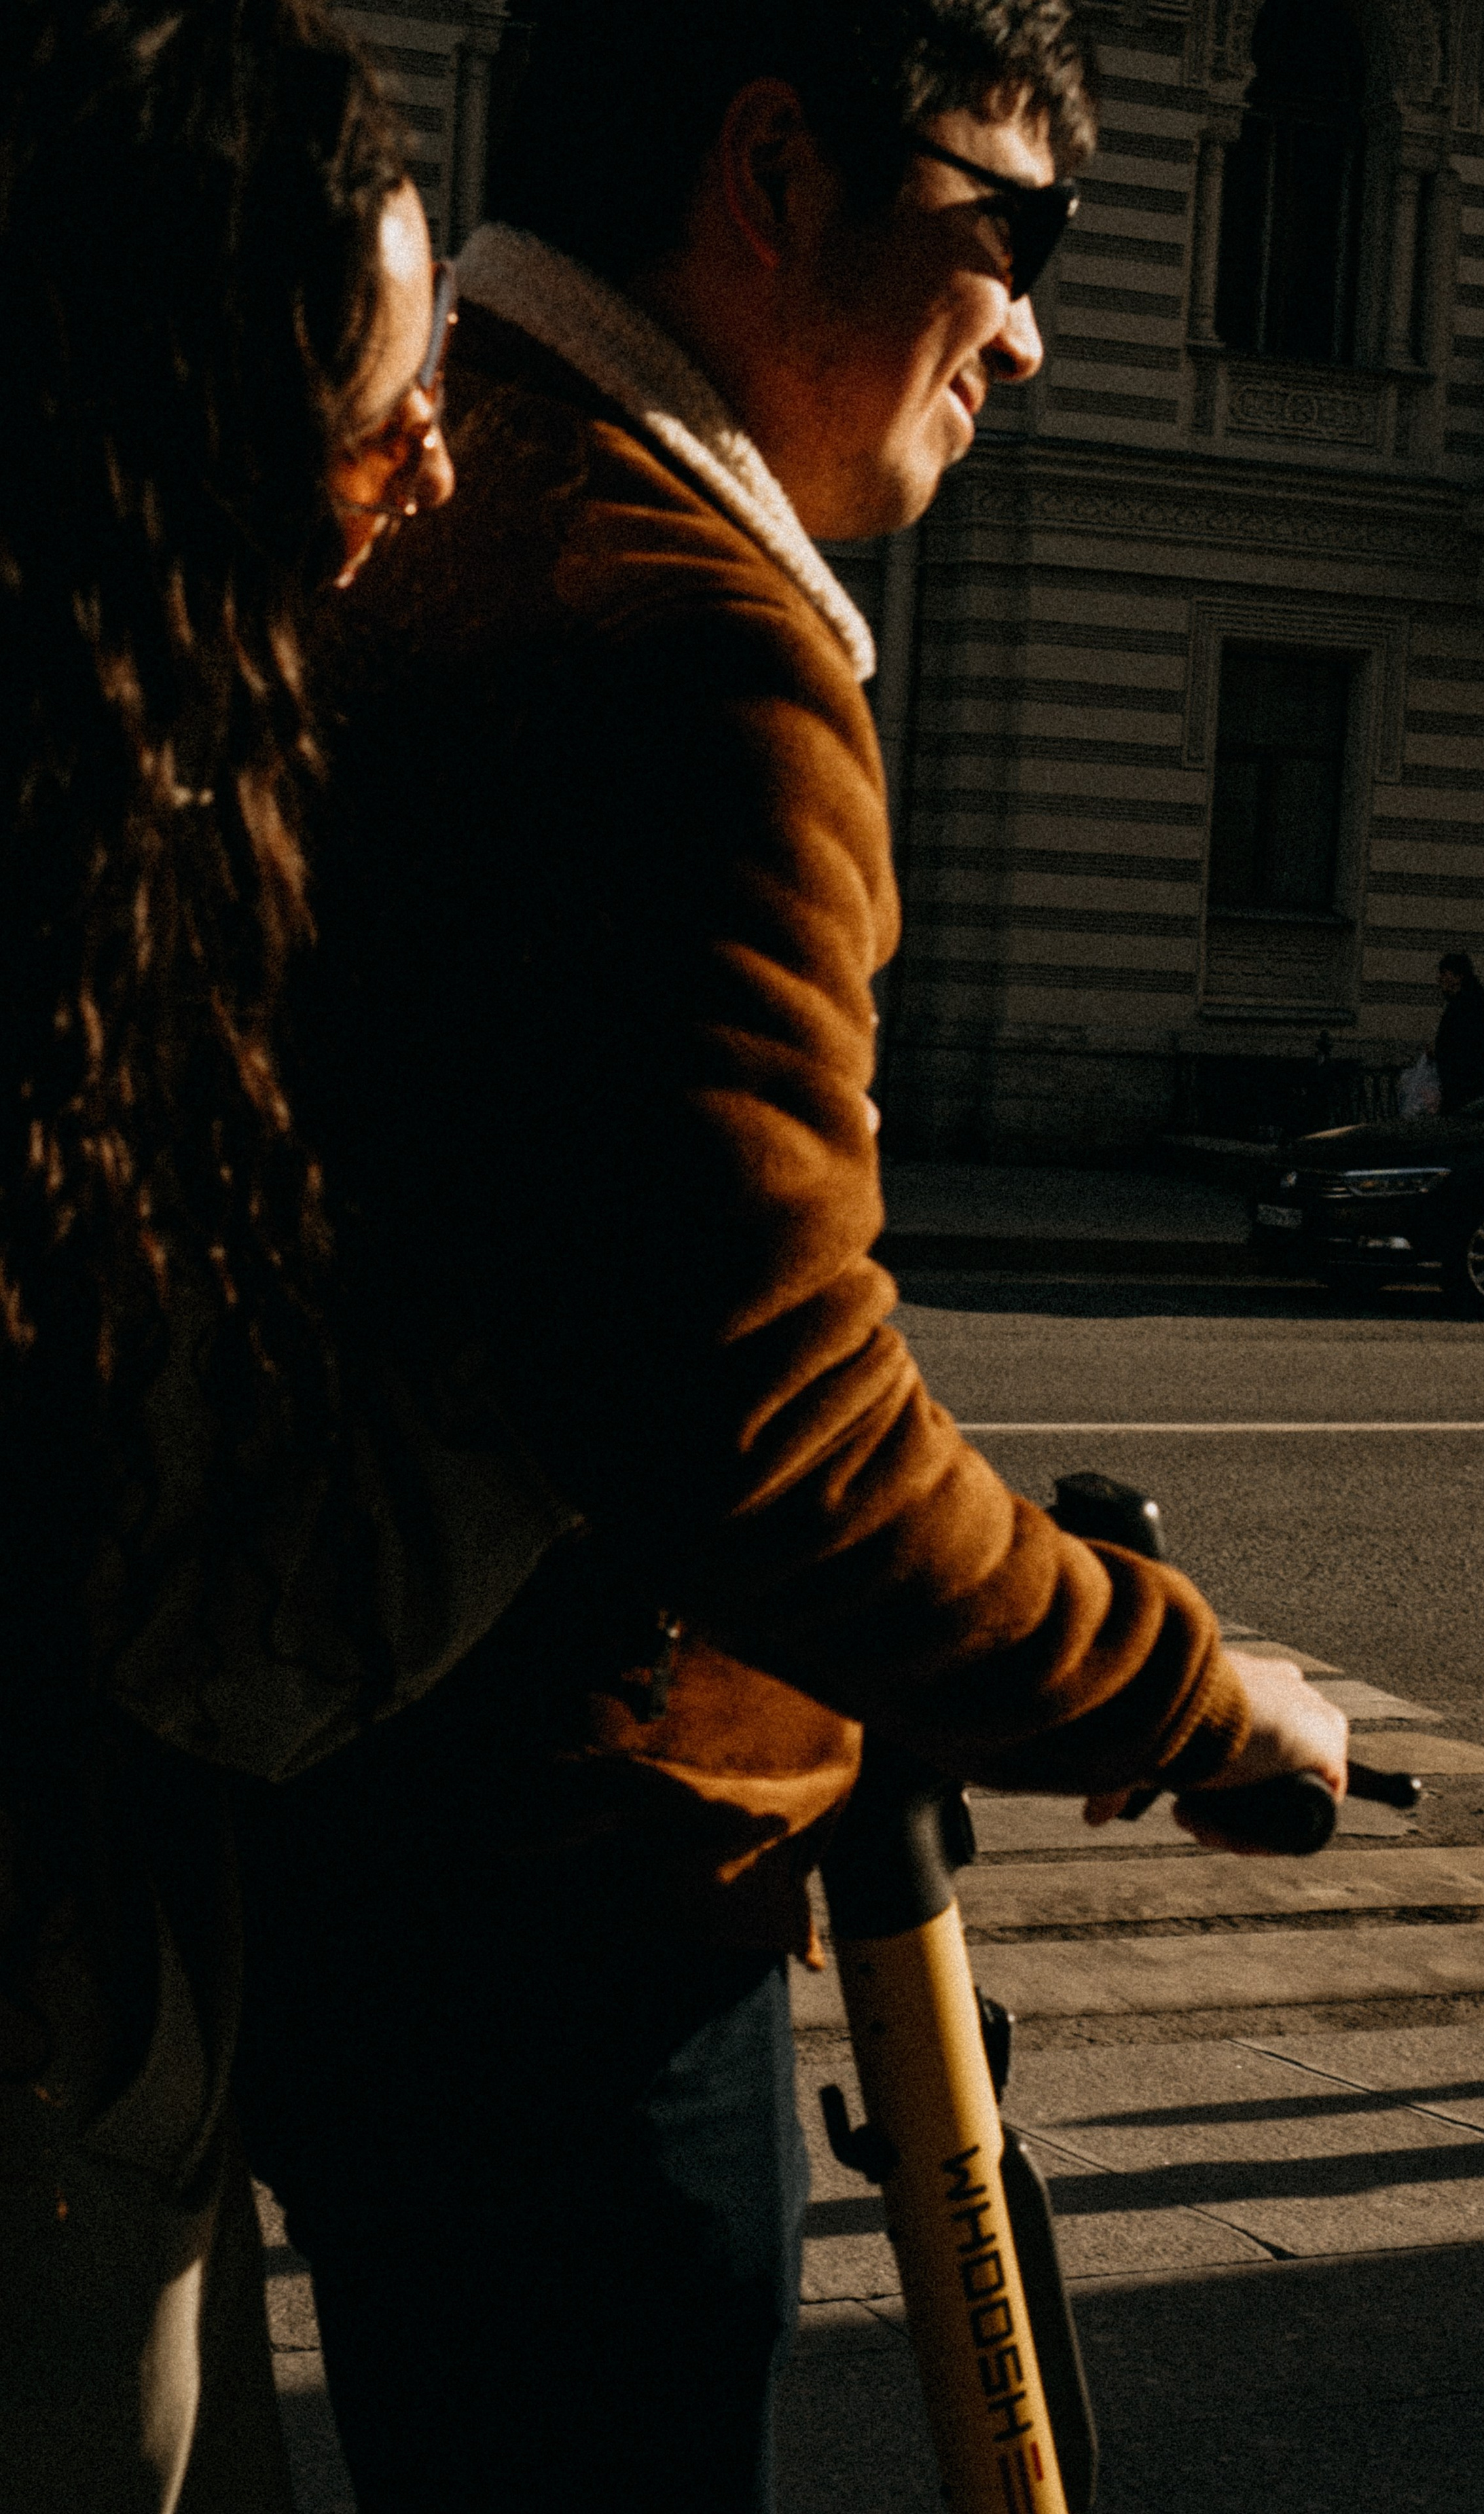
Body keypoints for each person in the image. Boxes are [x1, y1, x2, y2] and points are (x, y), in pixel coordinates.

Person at [230, 7, 1351, 2509]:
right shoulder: (688, 646)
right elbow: (771, 1435)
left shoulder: (438, 472)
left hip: (355, 1841)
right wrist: (1185, 1693)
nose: (1030, 329)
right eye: (1012, 229)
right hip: (580, 1917)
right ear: (770, 171)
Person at [0, 6, 469, 2504]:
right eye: (385, 412)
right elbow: (210, 1604)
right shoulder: (84, 871)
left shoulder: (153, 771)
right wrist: (608, 1363)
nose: (436, 465)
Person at [1434, 951, 1484, 1115]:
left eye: (1444, 973)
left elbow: (1463, 1049)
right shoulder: (1470, 1005)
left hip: (1465, 1092)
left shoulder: (1463, 1009)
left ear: (1458, 977)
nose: (1439, 979)